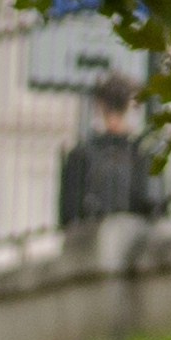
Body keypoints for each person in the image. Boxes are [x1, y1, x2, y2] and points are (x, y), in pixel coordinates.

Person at [58, 70, 165, 226]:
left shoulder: (81, 154)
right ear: (133, 106)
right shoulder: (145, 156)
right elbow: (157, 211)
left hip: (91, 242)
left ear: (100, 106)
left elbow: (69, 216)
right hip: (135, 243)